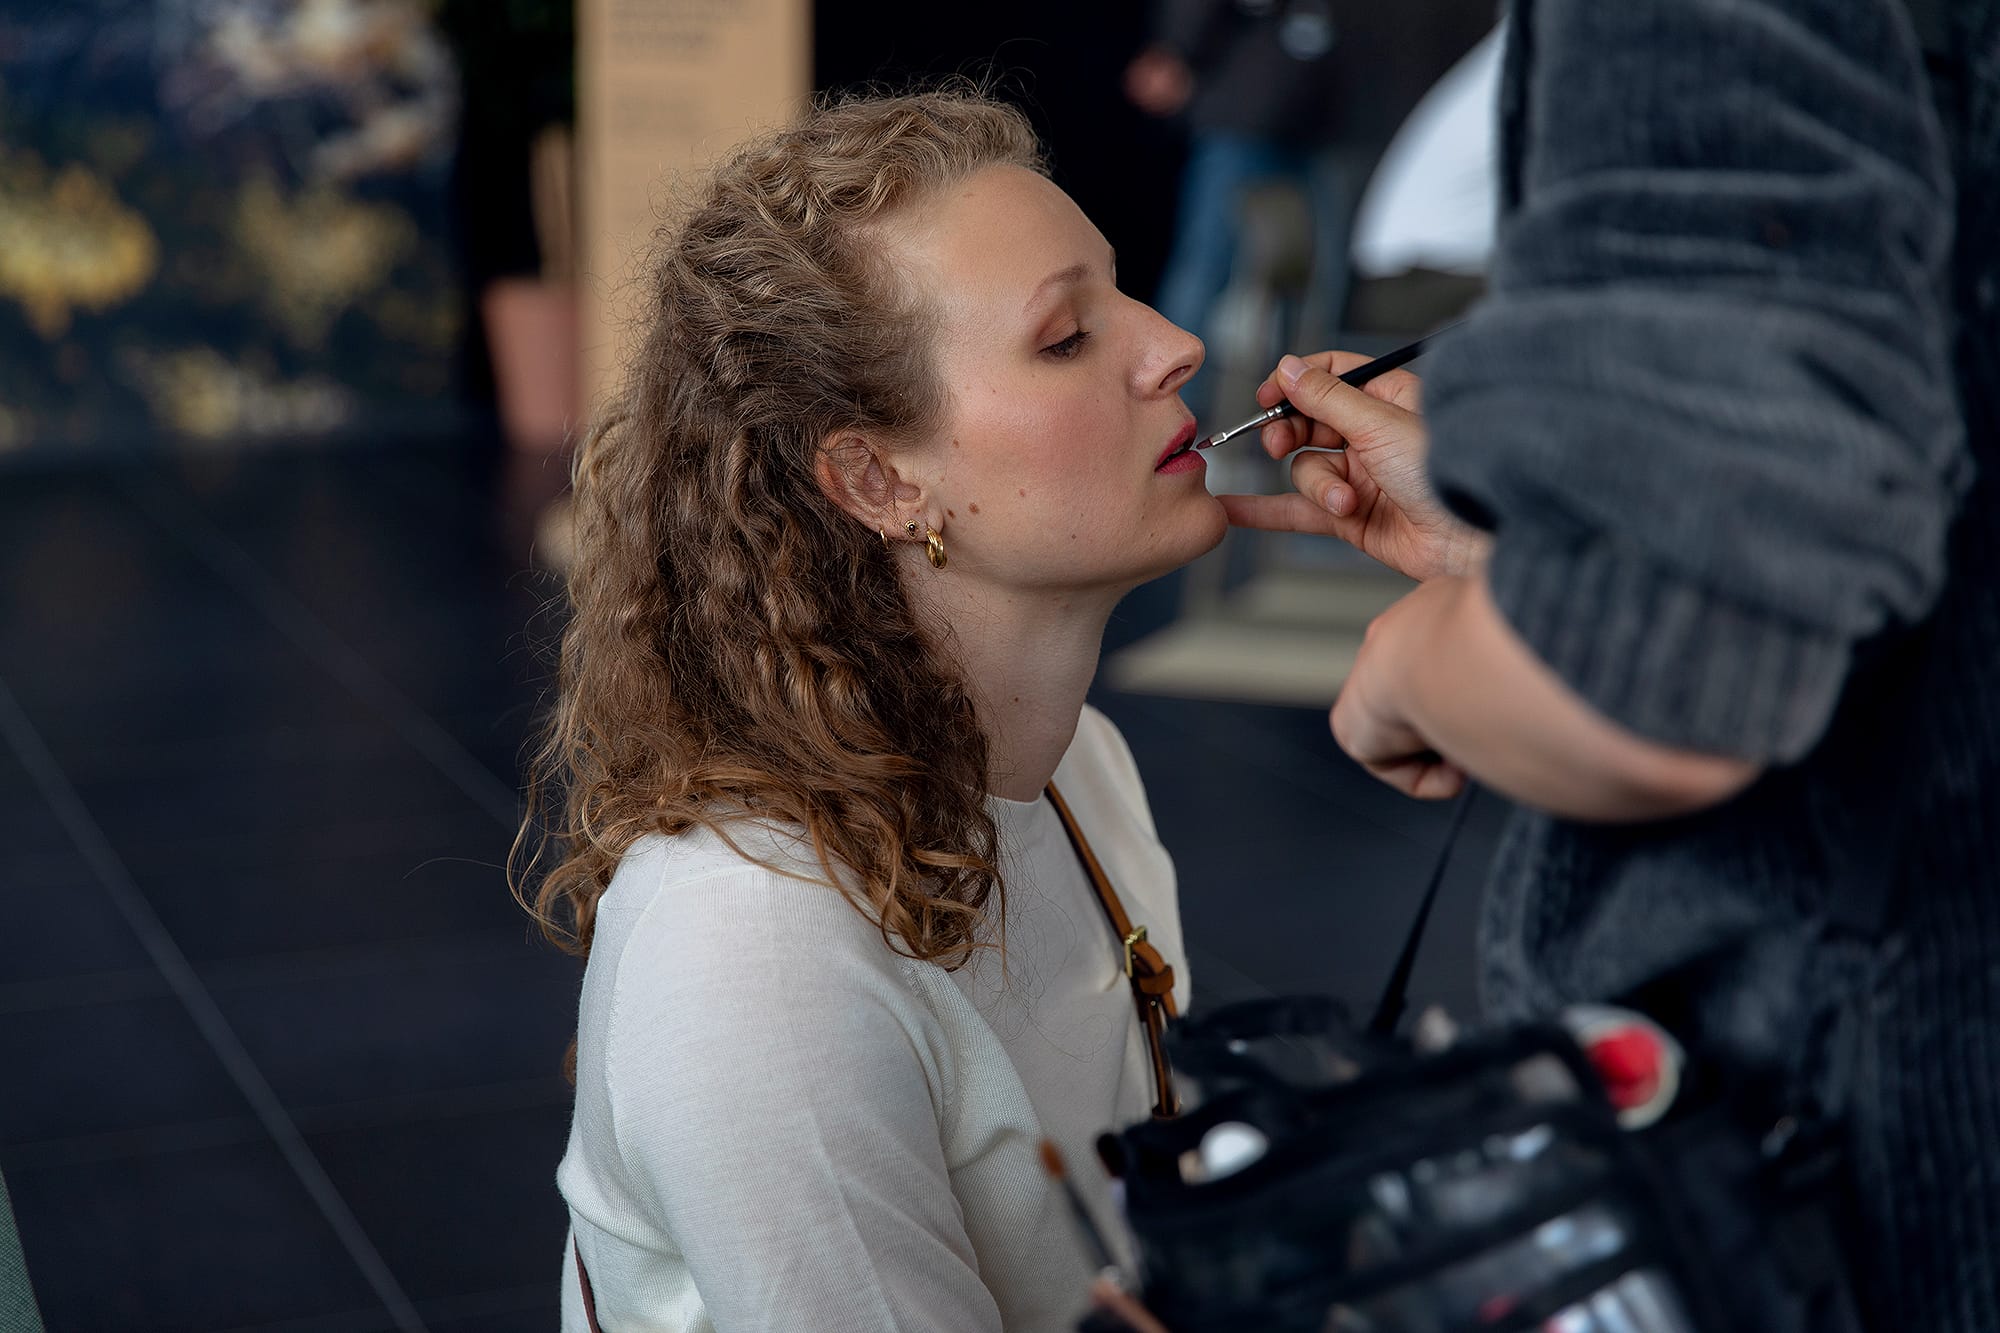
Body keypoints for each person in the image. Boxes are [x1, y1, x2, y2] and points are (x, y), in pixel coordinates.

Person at [1226, 0, 1998, 1328]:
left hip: (1867, 1160)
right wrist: (1527, 552)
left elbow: (1665, 671)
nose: (1177, 353)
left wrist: (1412, 665)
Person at [515, 90, 1224, 1331]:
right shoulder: (752, 946)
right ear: (877, 478)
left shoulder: (1079, 766)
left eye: (1122, 293)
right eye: (1067, 337)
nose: (1174, 344)